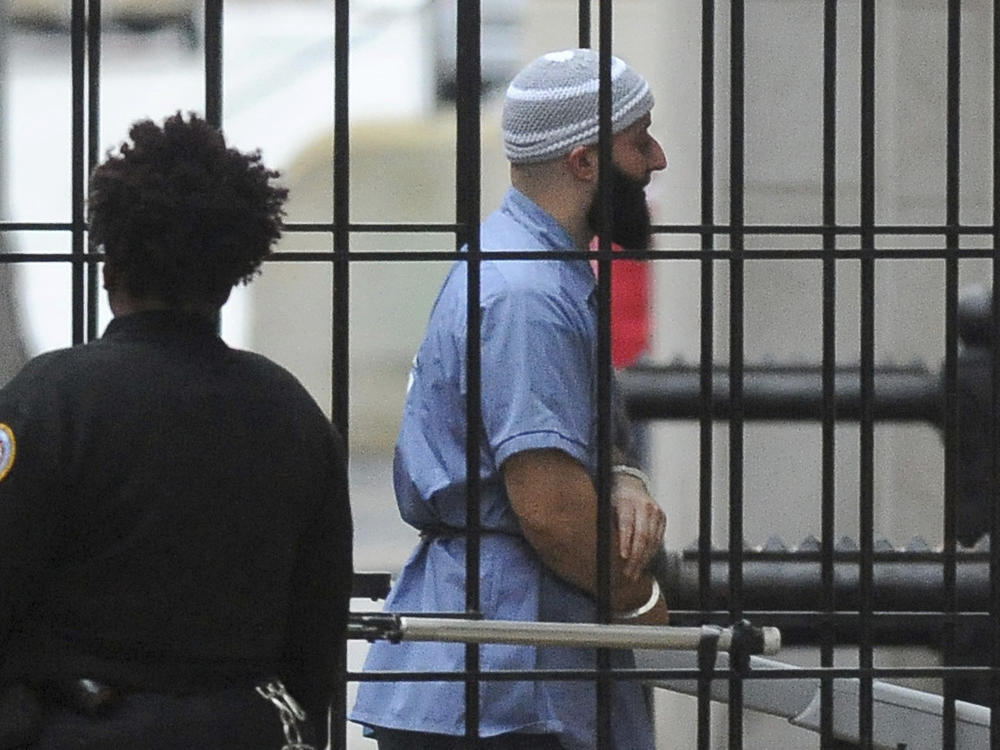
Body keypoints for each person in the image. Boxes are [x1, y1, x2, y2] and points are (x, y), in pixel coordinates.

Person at [0, 112, 353, 750]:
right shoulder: (292, 413)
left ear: (109, 270)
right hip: (240, 728)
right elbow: (317, 628)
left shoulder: (47, 402)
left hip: (78, 728)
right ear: (232, 275)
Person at [352, 49, 668, 749]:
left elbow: (572, 440)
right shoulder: (529, 294)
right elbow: (550, 509)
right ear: (585, 162)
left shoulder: (522, 265)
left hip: (492, 659)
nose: (657, 160)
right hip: (509, 674)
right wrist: (644, 606)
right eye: (639, 139)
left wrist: (619, 476)